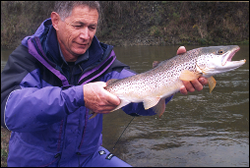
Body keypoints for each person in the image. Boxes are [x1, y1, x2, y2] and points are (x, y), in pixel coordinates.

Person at [1, 1, 207, 167]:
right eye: (78, 25)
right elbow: (7, 111)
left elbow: (140, 106)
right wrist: (78, 96)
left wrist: (171, 81)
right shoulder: (28, 56)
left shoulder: (104, 60)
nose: (86, 36)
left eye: (92, 27)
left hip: (89, 158)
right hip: (34, 162)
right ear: (56, 20)